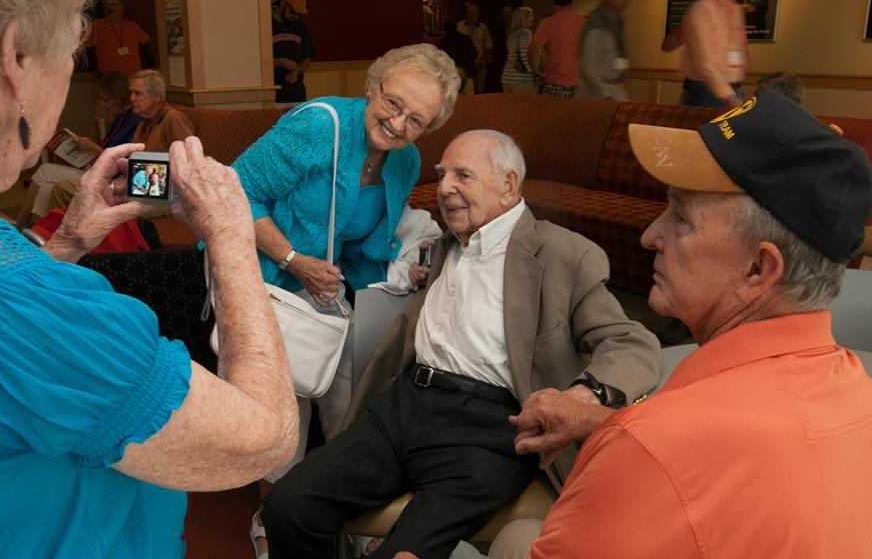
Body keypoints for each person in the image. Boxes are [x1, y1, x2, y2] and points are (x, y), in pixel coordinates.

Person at [0, 0, 298, 557]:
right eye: (72, 56)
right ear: (17, 58)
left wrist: (66, 242)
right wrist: (231, 231)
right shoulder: (24, 310)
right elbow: (266, 439)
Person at [262, 130, 661, 559]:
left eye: (463, 175)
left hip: (491, 430)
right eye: (442, 174)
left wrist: (583, 396)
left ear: (508, 185)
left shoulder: (565, 253)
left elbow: (630, 341)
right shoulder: (444, 244)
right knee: (288, 506)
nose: (445, 187)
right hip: (402, 407)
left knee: (404, 553)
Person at [517, 92, 872, 557]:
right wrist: (602, 420)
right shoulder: (855, 391)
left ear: (758, 270)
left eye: (682, 218)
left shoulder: (647, 449)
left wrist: (630, 439)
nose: (649, 236)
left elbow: (670, 455)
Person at [232, 43, 461, 558]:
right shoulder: (319, 125)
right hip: (268, 282)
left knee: (348, 406)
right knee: (285, 415)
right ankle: (271, 520)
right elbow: (236, 191)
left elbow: (360, 243)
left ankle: (326, 510)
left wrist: (404, 265)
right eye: (393, 103)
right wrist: (293, 258)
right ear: (373, 87)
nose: (398, 123)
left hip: (324, 295)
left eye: (416, 119)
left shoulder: (406, 162)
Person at [15, 71, 143, 227]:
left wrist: (93, 148)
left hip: (112, 179)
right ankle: (37, 230)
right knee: (46, 189)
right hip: (100, 170)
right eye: (101, 100)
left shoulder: (134, 121)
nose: (104, 105)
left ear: (120, 99)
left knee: (44, 171)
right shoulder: (119, 119)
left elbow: (123, 162)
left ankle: (21, 224)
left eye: (107, 100)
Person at [679, 0, 749, 108]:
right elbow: (706, 64)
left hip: (733, 90)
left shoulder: (735, 10)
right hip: (708, 95)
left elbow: (739, 52)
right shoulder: (702, 9)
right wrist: (731, 99)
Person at [577, 0, 635, 101]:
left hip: (615, 86)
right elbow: (588, 66)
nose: (627, 1)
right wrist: (604, 95)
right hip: (599, 92)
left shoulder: (617, 23)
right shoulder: (596, 23)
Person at [530, 0, 584, 98]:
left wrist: (536, 74)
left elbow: (532, 50)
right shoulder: (582, 22)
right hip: (576, 83)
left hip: (552, 82)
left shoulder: (547, 23)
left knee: (551, 116)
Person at [84, 0, 154, 77]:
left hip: (134, 78)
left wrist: (153, 65)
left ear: (122, 8)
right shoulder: (95, 27)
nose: (111, 7)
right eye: (107, 4)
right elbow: (81, 48)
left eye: (116, 4)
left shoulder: (132, 26)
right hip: (110, 80)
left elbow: (148, 42)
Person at [129, 69, 195, 151]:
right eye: (131, 93)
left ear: (157, 96)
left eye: (137, 93)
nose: (131, 98)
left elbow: (187, 158)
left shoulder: (174, 119)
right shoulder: (144, 121)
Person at [273, 0, 315, 107]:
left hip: (296, 93)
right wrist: (281, 62)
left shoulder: (301, 27)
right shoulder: (268, 26)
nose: (295, 16)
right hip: (274, 93)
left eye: (298, 14)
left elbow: (307, 58)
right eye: (292, 12)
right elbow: (258, 61)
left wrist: (298, 70)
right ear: (282, 4)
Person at [458, 3, 493, 94]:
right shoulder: (460, 26)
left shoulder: (483, 27)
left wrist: (482, 60)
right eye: (469, 12)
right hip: (464, 65)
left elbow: (488, 46)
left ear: (478, 14)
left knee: (479, 89)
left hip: (479, 65)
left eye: (474, 13)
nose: (471, 15)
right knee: (464, 90)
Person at [501, 7, 537, 95]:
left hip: (507, 77)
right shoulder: (526, 33)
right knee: (527, 107)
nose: (533, 18)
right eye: (530, 16)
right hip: (521, 79)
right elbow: (525, 55)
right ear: (523, 18)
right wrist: (535, 73)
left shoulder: (512, 35)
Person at [438, 17, 478, 94]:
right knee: (471, 100)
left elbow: (441, 59)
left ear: (445, 29)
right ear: (456, 27)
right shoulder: (465, 38)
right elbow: (474, 54)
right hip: (468, 72)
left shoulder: (444, 41)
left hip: (451, 75)